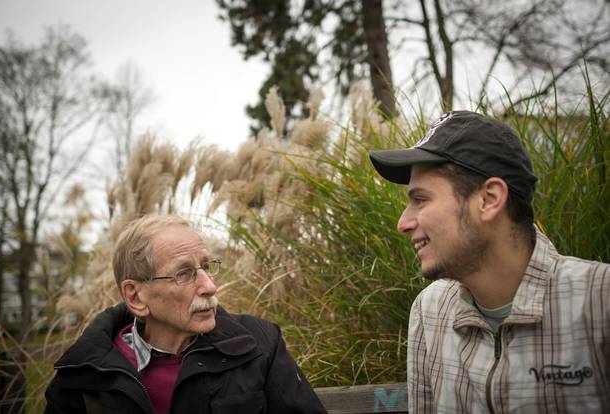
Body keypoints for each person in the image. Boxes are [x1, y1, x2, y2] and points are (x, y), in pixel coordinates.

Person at [369, 111, 609, 413]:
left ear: (489, 199)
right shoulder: (429, 312)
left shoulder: (600, 300)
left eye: (420, 199)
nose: (403, 223)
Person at [45, 214, 327, 414]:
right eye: (184, 273)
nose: (210, 286)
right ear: (136, 296)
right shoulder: (83, 377)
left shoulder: (260, 345)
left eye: (206, 266)